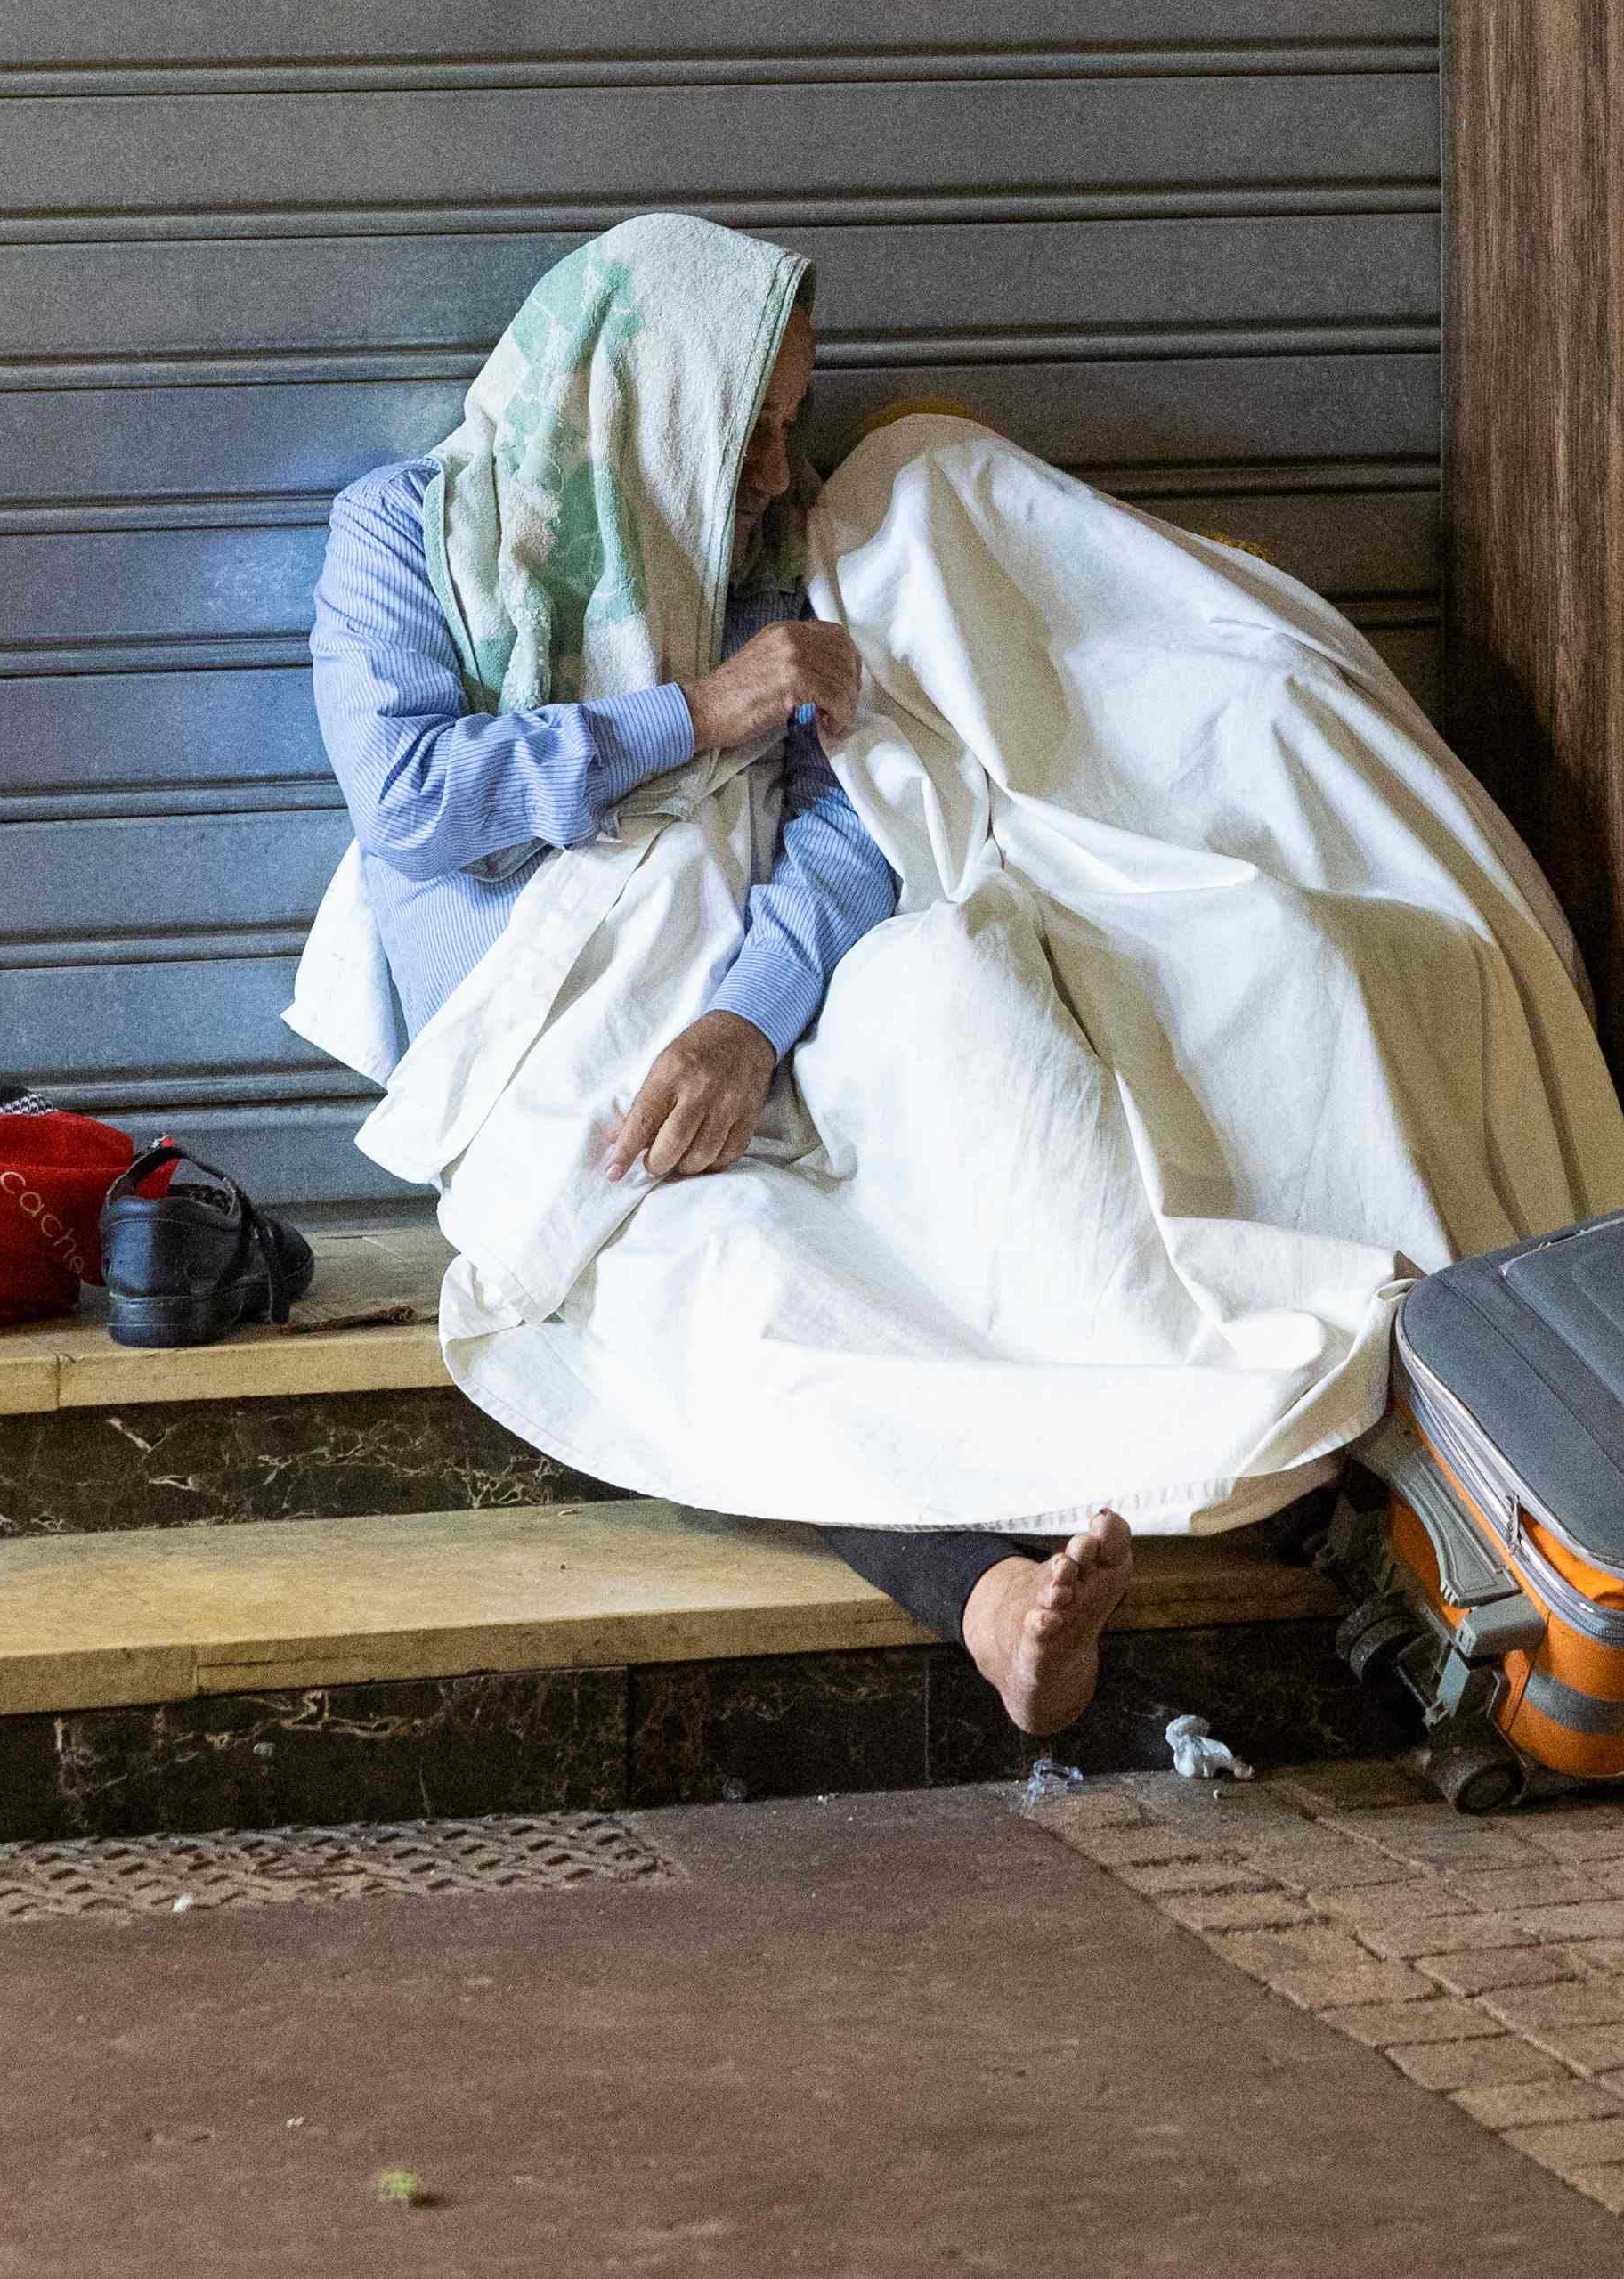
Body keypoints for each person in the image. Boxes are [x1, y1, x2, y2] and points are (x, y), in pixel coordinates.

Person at [309, 216, 1139, 1738]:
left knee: (955, 1147)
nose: (774, 474)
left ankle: (1126, 1455)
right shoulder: (401, 537)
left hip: (731, 1011)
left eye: (787, 430)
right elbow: (416, 803)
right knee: (723, 1272)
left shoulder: (771, 569)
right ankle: (986, 1593)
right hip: (536, 1052)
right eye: (745, 429)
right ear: (637, 399)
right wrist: (694, 713)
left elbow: (847, 830)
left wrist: (743, 1022)